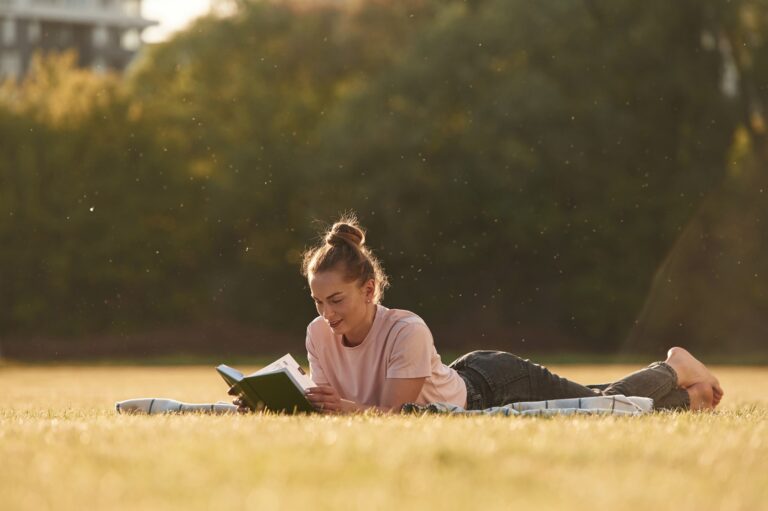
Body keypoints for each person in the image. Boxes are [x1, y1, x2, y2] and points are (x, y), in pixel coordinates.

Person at [236, 215, 724, 414]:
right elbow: (335, 403)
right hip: (466, 380)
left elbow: (397, 417)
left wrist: (341, 410)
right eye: (318, 303)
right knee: (603, 404)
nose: (327, 314)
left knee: (600, 408)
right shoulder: (318, 334)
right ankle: (692, 398)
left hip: (493, 386)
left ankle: (674, 366)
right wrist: (273, 403)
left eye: (336, 301)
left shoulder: (405, 329)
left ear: (369, 290)